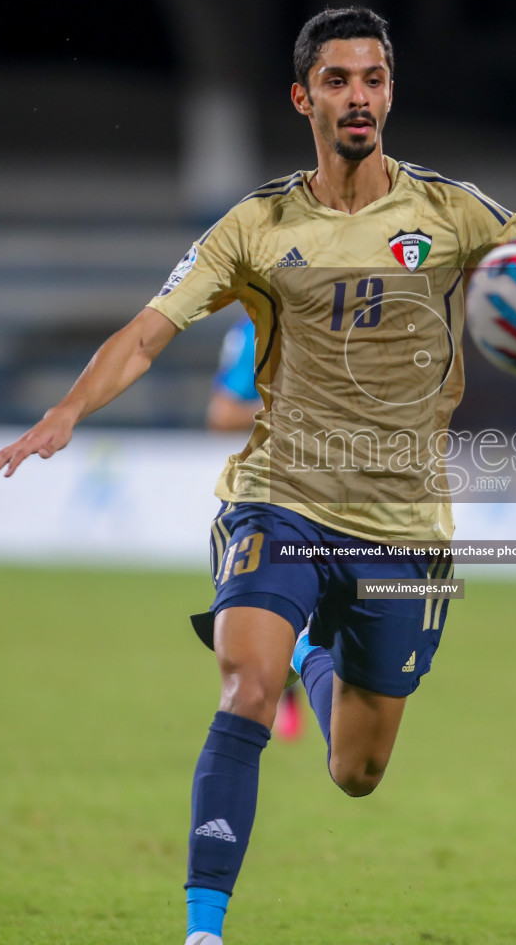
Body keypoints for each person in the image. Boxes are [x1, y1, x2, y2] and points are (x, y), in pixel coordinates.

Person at [0, 6, 516, 945]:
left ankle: (317, 654)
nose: (359, 97)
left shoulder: (451, 213)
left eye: (373, 79)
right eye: (338, 80)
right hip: (281, 495)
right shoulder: (254, 226)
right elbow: (146, 332)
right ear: (303, 98)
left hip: (406, 525)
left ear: (390, 93)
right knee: (244, 686)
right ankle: (204, 928)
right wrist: (65, 411)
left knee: (357, 771)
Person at [205, 314, 303, 741]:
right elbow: (222, 414)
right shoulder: (255, 331)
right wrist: (291, 408)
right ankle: (286, 692)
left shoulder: (370, 313)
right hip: (276, 498)